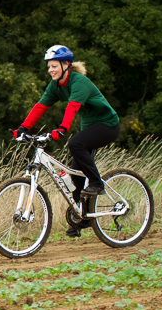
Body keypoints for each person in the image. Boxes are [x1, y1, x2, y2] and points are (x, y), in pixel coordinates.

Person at [13, 45, 120, 237]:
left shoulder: (79, 82)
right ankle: (83, 218)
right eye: (49, 67)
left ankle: (97, 183)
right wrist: (23, 128)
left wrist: (62, 129)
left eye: (54, 66)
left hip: (107, 125)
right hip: (88, 128)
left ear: (66, 65)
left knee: (75, 144)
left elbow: (72, 107)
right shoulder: (55, 85)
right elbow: (40, 107)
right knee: (76, 174)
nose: (51, 70)